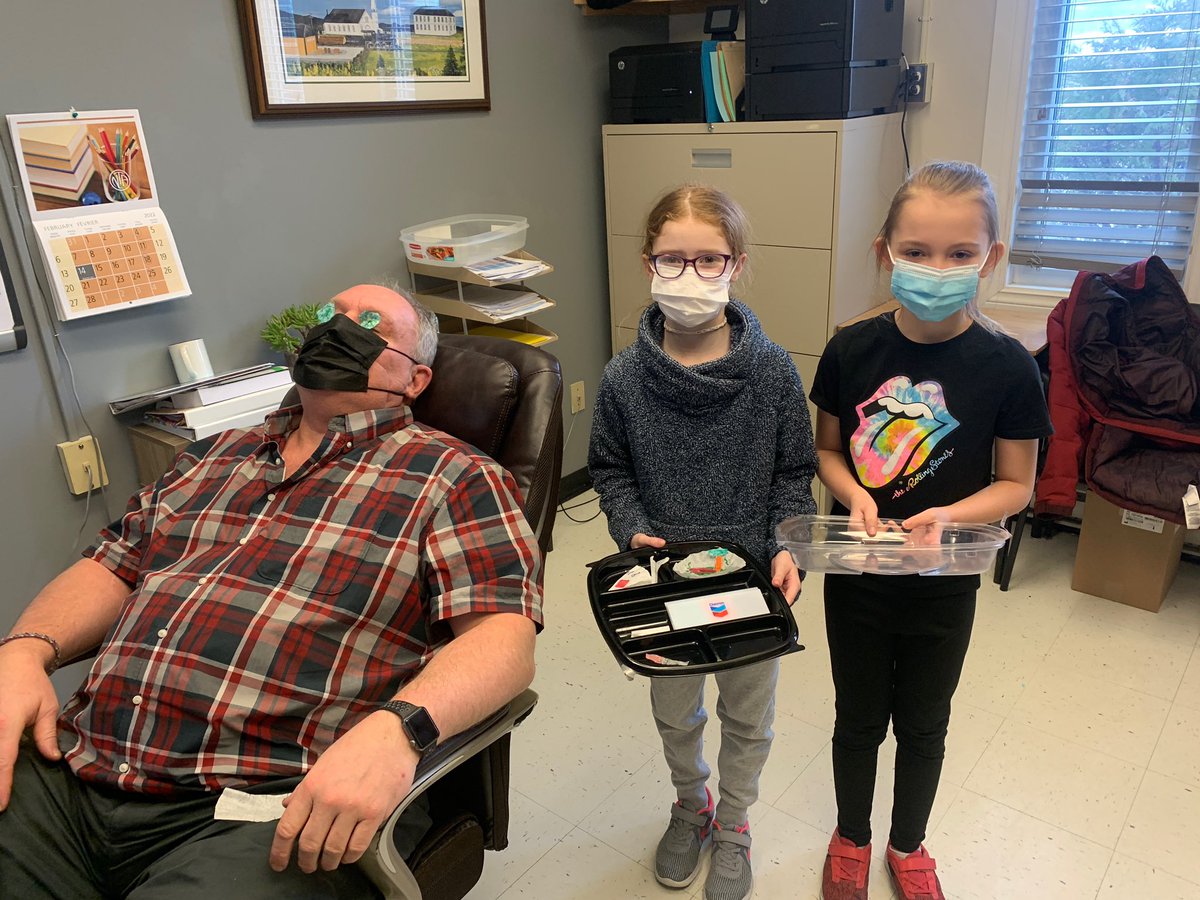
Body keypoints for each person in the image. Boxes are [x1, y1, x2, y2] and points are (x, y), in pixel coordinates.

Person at [0, 284, 543, 899]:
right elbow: (112, 566)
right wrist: (21, 651)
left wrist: (400, 729)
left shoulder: (457, 478)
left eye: (368, 322)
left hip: (266, 802)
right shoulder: (209, 457)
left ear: (416, 380)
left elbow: (504, 638)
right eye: (327, 316)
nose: (337, 328)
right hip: (74, 763)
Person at [809, 161, 1052, 900]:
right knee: (857, 720)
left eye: (958, 253)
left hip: (946, 581)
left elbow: (1018, 484)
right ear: (884, 251)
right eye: (916, 252)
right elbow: (827, 449)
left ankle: (907, 843)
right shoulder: (851, 348)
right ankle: (851, 834)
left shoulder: (1010, 367)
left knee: (923, 724)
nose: (936, 268)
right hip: (858, 572)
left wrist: (950, 515)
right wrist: (853, 495)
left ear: (992, 259)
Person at [589, 184, 817, 900]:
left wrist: (787, 544)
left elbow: (794, 472)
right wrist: (631, 530)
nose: (689, 275)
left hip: (751, 579)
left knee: (748, 718)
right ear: (648, 264)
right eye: (672, 258)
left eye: (708, 259)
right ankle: (692, 806)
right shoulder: (625, 378)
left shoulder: (773, 371)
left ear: (737, 265)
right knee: (676, 711)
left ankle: (738, 823)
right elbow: (611, 468)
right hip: (663, 581)